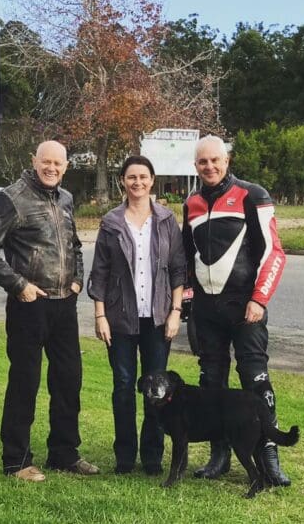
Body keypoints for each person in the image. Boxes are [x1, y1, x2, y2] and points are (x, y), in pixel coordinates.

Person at [0, 140, 99, 482]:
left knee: (68, 381)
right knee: (25, 383)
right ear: (33, 160)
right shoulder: (11, 198)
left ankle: (64, 453)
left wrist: (77, 279)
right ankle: (16, 461)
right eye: (45, 162)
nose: (51, 168)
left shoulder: (65, 198)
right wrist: (18, 285)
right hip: (28, 306)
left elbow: (75, 245)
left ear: (66, 167)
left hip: (64, 305)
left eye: (58, 164)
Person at [182, 134, 291, 486]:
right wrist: (187, 299)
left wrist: (259, 299)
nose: (210, 167)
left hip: (246, 306)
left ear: (227, 161)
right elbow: (187, 258)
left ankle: (269, 456)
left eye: (215, 160)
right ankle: (220, 455)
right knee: (211, 382)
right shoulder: (192, 203)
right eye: (203, 162)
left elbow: (273, 252)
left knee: (255, 380)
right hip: (207, 309)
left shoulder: (252, 194)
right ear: (196, 166)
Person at [88, 155, 186, 475]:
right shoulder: (111, 222)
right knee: (123, 385)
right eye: (132, 177)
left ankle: (153, 457)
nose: (138, 182)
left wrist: (175, 312)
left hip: (158, 319)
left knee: (156, 388)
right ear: (123, 181)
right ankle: (125, 456)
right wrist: (100, 315)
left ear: (152, 180)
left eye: (143, 177)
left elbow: (177, 270)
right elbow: (99, 273)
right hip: (120, 319)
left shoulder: (167, 221)